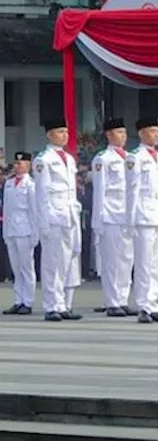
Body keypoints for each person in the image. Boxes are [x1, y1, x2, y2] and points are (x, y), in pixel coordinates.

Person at [32, 118, 83, 322]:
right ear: (49, 134)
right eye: (60, 132)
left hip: (69, 215)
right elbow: (42, 194)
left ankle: (61, 304)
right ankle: (51, 305)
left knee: (65, 262)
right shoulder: (43, 160)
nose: (64, 135)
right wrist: (43, 223)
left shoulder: (69, 159)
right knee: (52, 263)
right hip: (53, 216)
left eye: (66, 131)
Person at [126, 116, 158, 323]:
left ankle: (153, 303)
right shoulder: (135, 157)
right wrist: (130, 220)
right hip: (143, 214)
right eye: (152, 131)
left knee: (156, 263)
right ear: (142, 133)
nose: (156, 135)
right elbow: (131, 191)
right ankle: (143, 305)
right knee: (144, 262)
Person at [92, 118, 134, 317]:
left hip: (127, 215)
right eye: (119, 132)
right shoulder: (103, 159)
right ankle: (112, 301)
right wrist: (98, 219)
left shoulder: (130, 158)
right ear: (109, 135)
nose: (123, 137)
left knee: (126, 258)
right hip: (110, 214)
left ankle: (123, 298)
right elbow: (99, 191)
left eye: (125, 133)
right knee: (111, 260)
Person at [2, 153, 36, 315]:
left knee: (26, 268)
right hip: (12, 230)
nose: (16, 166)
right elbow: (6, 210)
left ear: (28, 165)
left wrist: (35, 234)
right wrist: (5, 232)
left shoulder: (31, 185)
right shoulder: (8, 183)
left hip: (25, 230)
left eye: (20, 164)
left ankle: (27, 301)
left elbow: (34, 211)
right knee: (16, 268)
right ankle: (18, 300)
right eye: (15, 163)